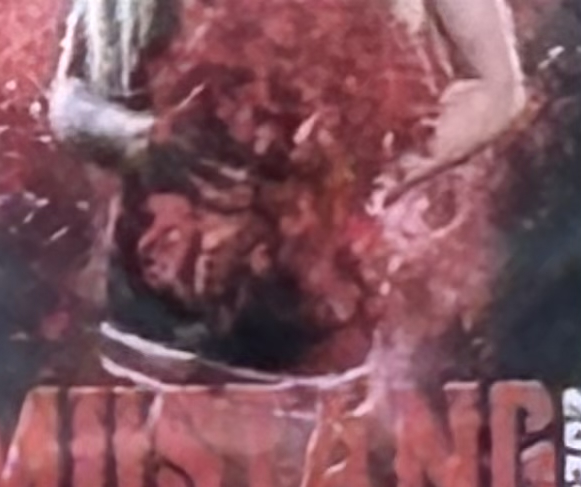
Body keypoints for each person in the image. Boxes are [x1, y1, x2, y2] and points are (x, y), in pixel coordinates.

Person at [47, 0, 528, 386]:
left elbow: (497, 88)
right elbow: (70, 98)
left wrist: (368, 172)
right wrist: (147, 143)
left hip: (315, 342)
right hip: (149, 333)